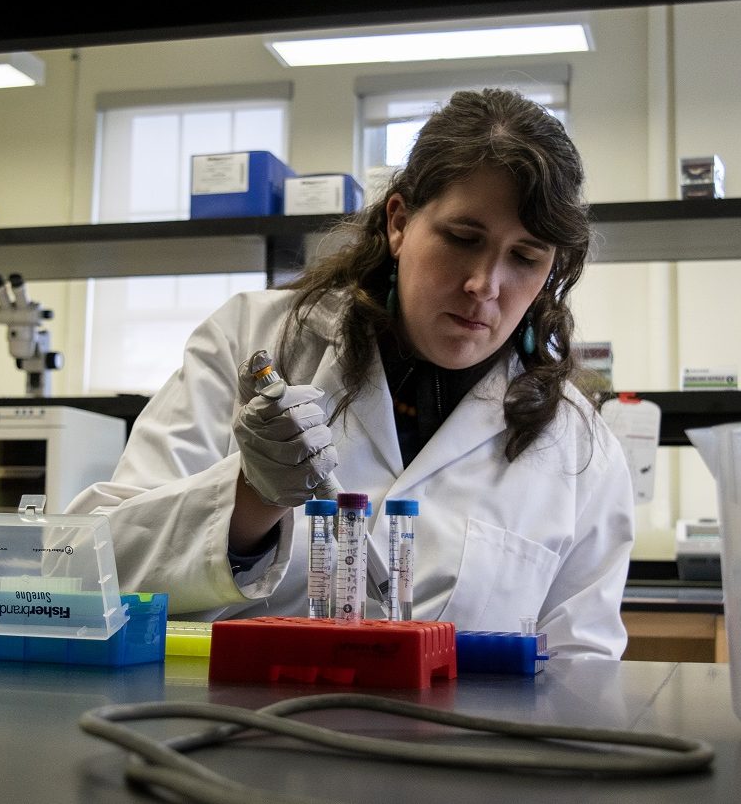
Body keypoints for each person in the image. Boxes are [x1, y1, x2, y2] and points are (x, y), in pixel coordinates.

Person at [66, 88, 635, 659]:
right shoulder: (253, 339)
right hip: (236, 734)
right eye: (463, 239)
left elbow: (580, 670)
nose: (484, 284)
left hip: (457, 747)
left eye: (526, 257)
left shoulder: (581, 451)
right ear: (399, 222)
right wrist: (249, 498)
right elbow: (92, 573)